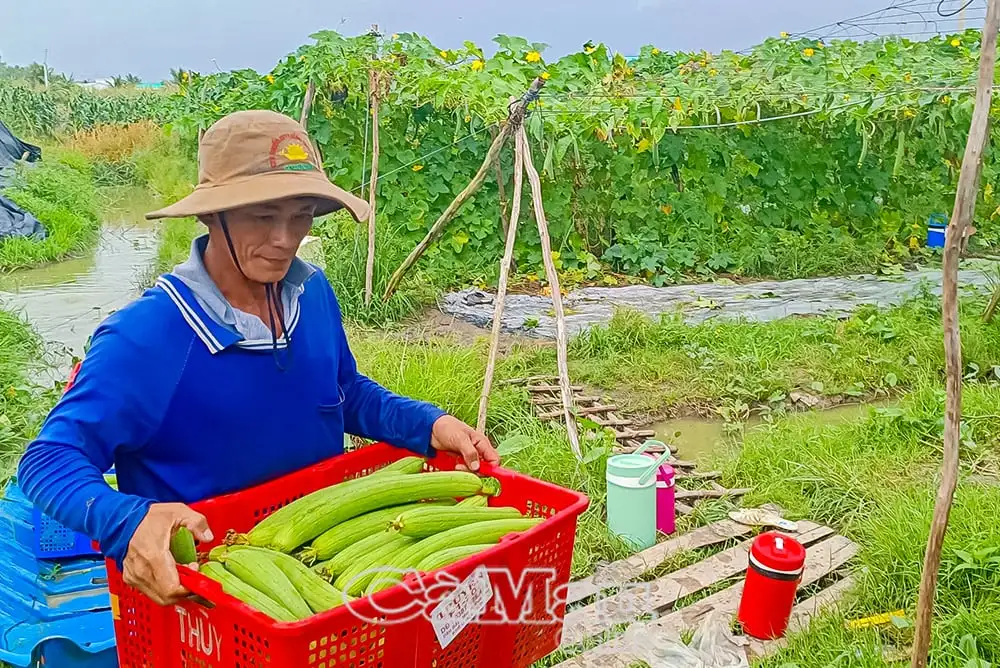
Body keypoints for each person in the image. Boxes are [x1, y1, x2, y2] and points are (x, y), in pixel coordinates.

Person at [17, 110, 499, 607]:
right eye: (264, 216)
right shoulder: (147, 336)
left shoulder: (310, 294)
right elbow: (47, 460)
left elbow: (342, 393)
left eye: (301, 215)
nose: (286, 239)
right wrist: (130, 519)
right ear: (210, 214)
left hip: (319, 567)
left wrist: (426, 423)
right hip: (209, 594)